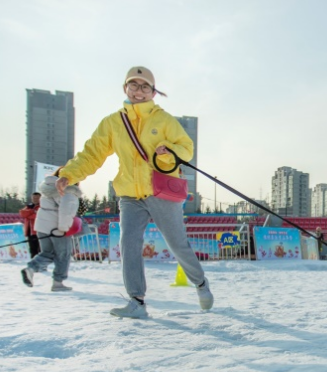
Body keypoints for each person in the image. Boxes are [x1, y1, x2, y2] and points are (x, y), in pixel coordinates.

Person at [55, 66, 213, 318]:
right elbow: (92, 153)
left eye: (145, 86)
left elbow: (186, 148)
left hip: (160, 191)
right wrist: (69, 173)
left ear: (153, 91)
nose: (139, 91)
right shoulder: (113, 123)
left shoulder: (164, 119)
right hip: (129, 194)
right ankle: (136, 302)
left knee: (177, 243)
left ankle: (201, 284)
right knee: (128, 243)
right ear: (125, 88)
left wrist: (169, 150)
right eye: (134, 85)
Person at [21, 173, 81, 292]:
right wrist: (63, 228)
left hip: (42, 227)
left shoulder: (47, 188)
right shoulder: (67, 192)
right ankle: (58, 282)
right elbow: (66, 212)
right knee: (63, 254)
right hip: (57, 228)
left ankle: (31, 269)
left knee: (47, 252)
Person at [19, 192, 41, 258]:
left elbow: (38, 215)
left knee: (39, 249)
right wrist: (32, 211)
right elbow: (22, 213)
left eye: (37, 198)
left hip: (38, 230)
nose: (35, 199)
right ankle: (33, 261)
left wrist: (29, 214)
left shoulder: (42, 206)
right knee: (32, 249)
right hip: (30, 231)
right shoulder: (29, 206)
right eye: (34, 198)